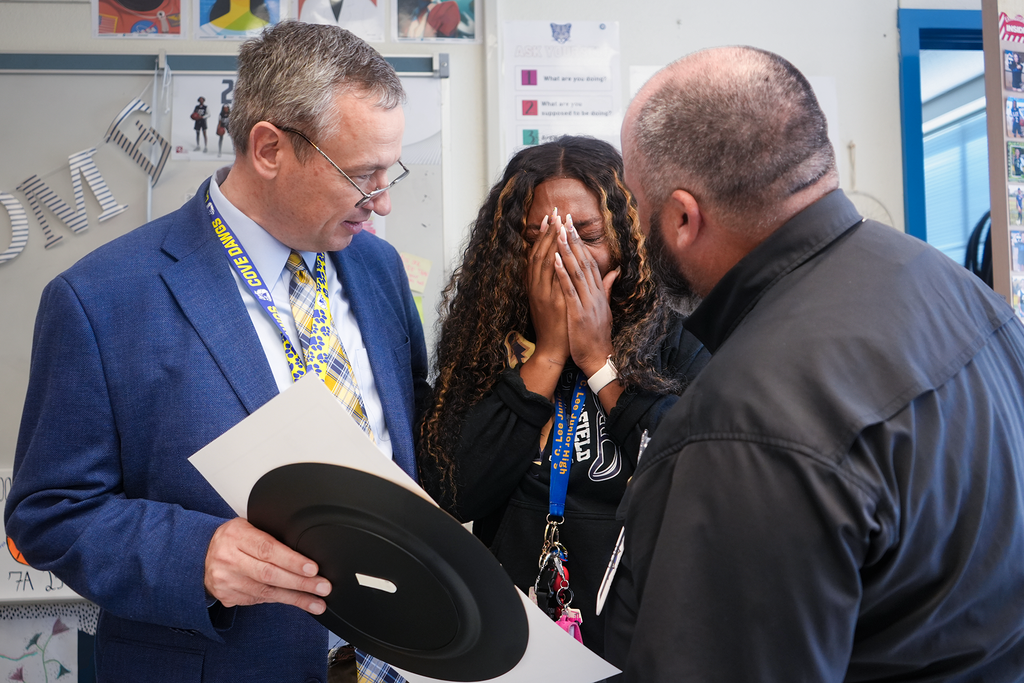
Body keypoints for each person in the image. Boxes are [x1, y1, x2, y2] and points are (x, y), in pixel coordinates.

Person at [6, 21, 428, 682]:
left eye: (390, 170)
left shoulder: (378, 270)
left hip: (398, 661)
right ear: (268, 148)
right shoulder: (100, 299)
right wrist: (195, 554)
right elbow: (49, 511)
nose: (385, 202)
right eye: (363, 175)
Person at [607, 45, 1024, 681]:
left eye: (635, 207)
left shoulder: (739, 427)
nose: (632, 232)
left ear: (684, 217)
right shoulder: (952, 287)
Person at [417, 136, 709, 656]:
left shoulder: (678, 337)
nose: (565, 253)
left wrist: (599, 362)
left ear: (628, 236)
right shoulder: (488, 342)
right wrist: (549, 353)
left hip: (635, 639)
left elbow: (689, 476)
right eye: (539, 236)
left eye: (588, 234)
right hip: (514, 636)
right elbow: (452, 490)